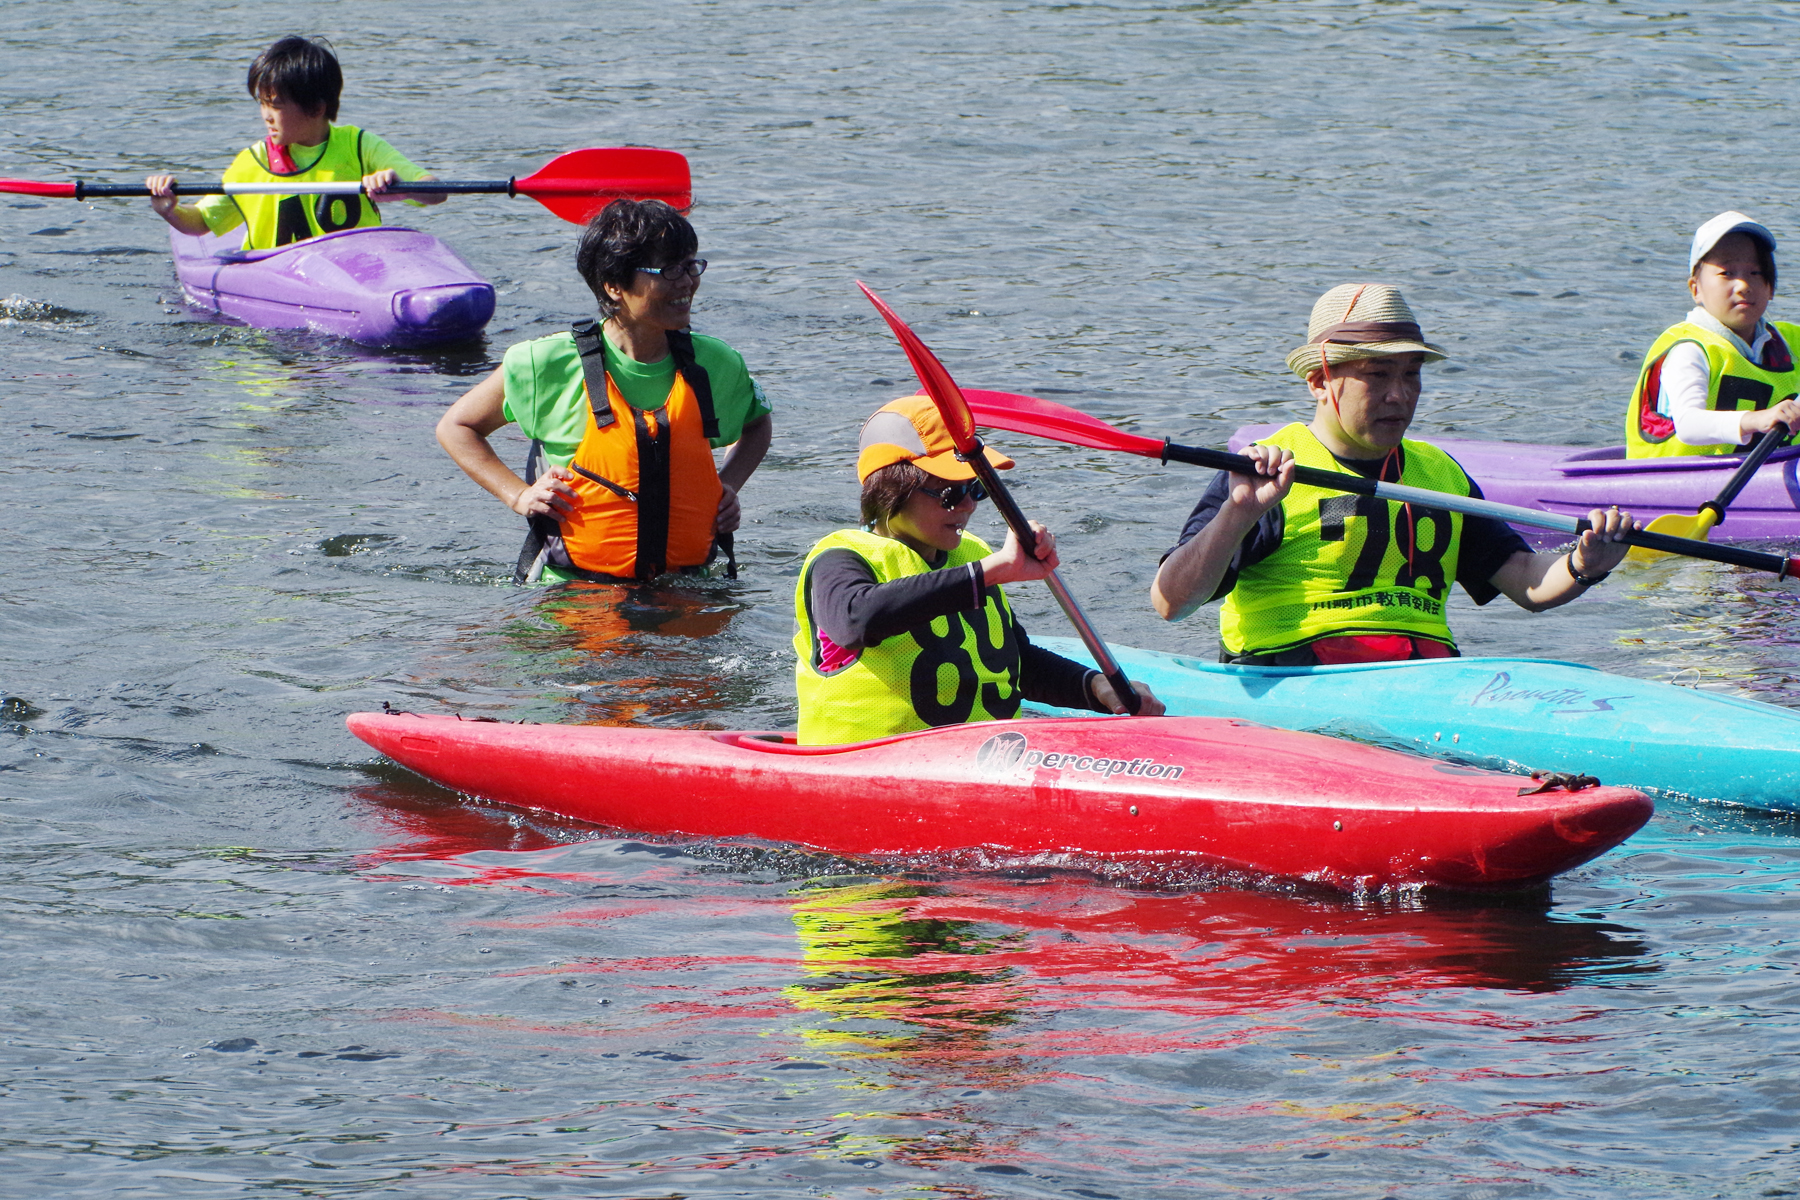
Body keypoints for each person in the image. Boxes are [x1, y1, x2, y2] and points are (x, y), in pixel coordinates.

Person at [1152, 283, 1636, 667]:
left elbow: (1527, 584)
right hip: (1294, 673)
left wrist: (1586, 564)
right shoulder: (1264, 473)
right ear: (1320, 381)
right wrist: (1237, 515)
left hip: (1424, 676)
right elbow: (1171, 602)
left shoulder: (1441, 475)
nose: (1399, 395)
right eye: (1377, 375)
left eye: (1411, 374)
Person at [437, 198, 772, 585]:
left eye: (691, 265)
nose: (687, 281)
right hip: (573, 592)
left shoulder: (715, 362)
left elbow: (756, 424)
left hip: (686, 587)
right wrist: (518, 496)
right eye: (668, 269)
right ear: (613, 285)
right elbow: (457, 427)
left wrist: (727, 484)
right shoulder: (545, 362)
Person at [794, 396, 1161, 745]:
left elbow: (1013, 664)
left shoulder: (972, 555)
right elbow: (856, 621)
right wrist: (990, 572)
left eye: (975, 489)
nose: (968, 505)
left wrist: (1095, 686)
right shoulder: (840, 557)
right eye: (950, 494)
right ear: (889, 492)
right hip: (863, 765)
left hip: (977, 759)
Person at [145, 36, 443, 249]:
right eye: (262, 104)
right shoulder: (251, 163)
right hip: (279, 280)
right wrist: (169, 209)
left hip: (357, 272)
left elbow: (436, 191)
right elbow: (201, 224)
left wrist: (401, 186)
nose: (266, 116)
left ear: (316, 107)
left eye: (274, 105)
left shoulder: (359, 145)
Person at [1626, 211, 1800, 458]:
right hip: (1670, 482)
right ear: (1696, 289)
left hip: (1766, 474)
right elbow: (1688, 424)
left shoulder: (1791, 342)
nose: (1743, 286)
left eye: (1755, 273)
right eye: (1727, 273)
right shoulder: (1689, 349)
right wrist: (1757, 419)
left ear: (1770, 287)